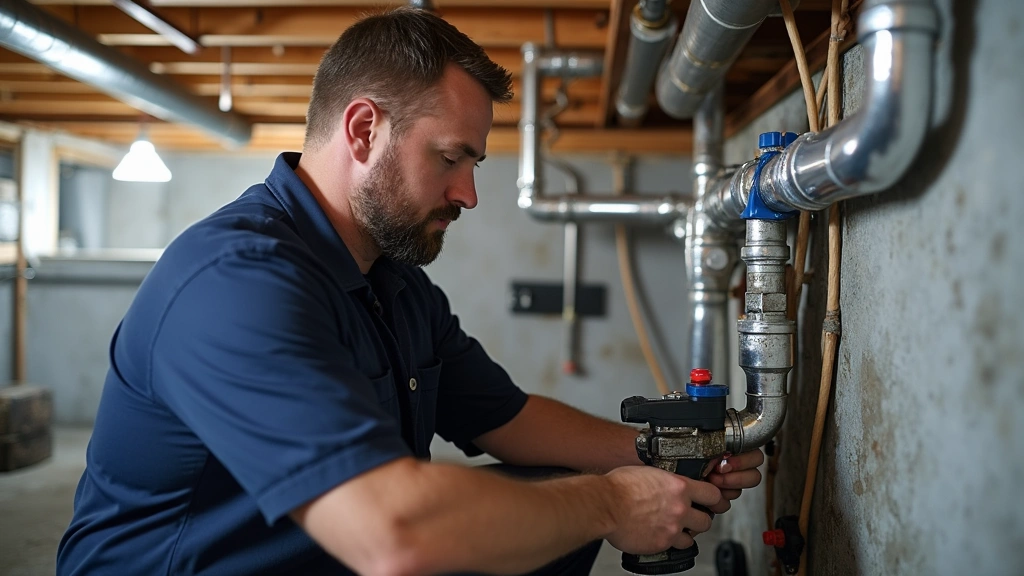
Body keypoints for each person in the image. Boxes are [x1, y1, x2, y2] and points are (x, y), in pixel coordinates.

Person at [57, 7, 763, 575]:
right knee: (555, 510)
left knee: (546, 498)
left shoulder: (394, 284)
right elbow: (392, 536)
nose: (469, 193)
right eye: (451, 157)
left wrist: (656, 456)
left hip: (335, 553)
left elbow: (508, 418)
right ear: (364, 129)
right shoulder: (235, 283)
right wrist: (612, 504)